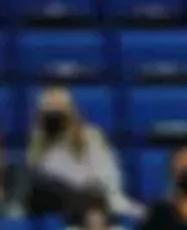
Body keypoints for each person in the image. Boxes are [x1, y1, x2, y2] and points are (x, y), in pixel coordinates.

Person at [27, 88, 138, 218]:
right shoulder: (38, 146)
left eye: (58, 112)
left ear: (71, 113)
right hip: (59, 204)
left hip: (94, 199)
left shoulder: (91, 137)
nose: (54, 118)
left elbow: (108, 179)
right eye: (49, 113)